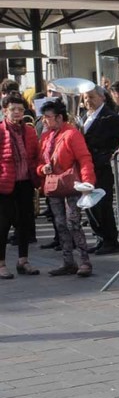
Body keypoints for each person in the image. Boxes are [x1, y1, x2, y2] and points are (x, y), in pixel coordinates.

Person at [39, 101, 97, 278]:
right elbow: (39, 162)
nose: (44, 121)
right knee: (60, 224)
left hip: (72, 184)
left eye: (47, 117)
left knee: (73, 222)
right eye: (44, 117)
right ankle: (68, 262)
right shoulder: (46, 136)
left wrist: (87, 182)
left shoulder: (72, 133)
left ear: (58, 117)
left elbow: (84, 158)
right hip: (54, 184)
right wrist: (42, 169)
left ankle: (84, 261)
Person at [80, 84, 119, 255]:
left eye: (92, 97)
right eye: (86, 98)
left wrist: (109, 153)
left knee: (102, 203)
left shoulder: (111, 117)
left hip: (102, 165)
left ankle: (110, 240)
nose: (88, 101)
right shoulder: (84, 116)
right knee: (89, 205)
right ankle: (100, 238)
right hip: (86, 166)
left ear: (102, 97)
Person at [0, 94, 42, 279]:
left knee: (25, 223)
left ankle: (23, 260)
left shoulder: (30, 131)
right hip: (5, 183)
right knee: (3, 224)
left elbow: (34, 155)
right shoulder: (1, 131)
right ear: (4, 111)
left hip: (25, 182)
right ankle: (1, 264)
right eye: (13, 110)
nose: (17, 113)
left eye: (20, 110)